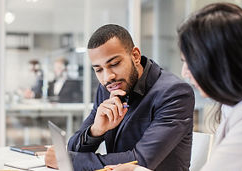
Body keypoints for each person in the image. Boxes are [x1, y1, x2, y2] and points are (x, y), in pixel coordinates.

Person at [107, 2, 242, 171]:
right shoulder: (233, 107)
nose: (185, 72)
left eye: (189, 62)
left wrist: (136, 169)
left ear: (218, 61)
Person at [45, 24, 195, 170]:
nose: (107, 77)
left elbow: (140, 161)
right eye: (98, 70)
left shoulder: (174, 93)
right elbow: (73, 148)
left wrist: (68, 161)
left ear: (135, 56)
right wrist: (95, 130)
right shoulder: (107, 89)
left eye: (115, 64)